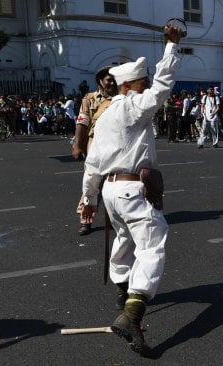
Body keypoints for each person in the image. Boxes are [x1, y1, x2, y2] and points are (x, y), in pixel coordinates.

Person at [80, 24, 182, 356]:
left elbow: (92, 164)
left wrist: (89, 200)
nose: (145, 87)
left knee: (124, 244)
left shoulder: (106, 115)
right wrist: (171, 46)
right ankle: (132, 314)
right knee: (153, 247)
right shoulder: (130, 107)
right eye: (141, 83)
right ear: (128, 86)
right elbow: (164, 86)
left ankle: (124, 297)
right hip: (132, 191)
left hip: (111, 192)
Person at [72, 66, 117, 236]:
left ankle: (118, 217)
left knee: (115, 182)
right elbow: (82, 123)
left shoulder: (121, 98)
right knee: (92, 182)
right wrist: (78, 146)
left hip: (116, 145)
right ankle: (85, 220)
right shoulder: (89, 99)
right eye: (109, 79)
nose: (112, 82)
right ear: (100, 81)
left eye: (114, 79)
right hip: (96, 145)